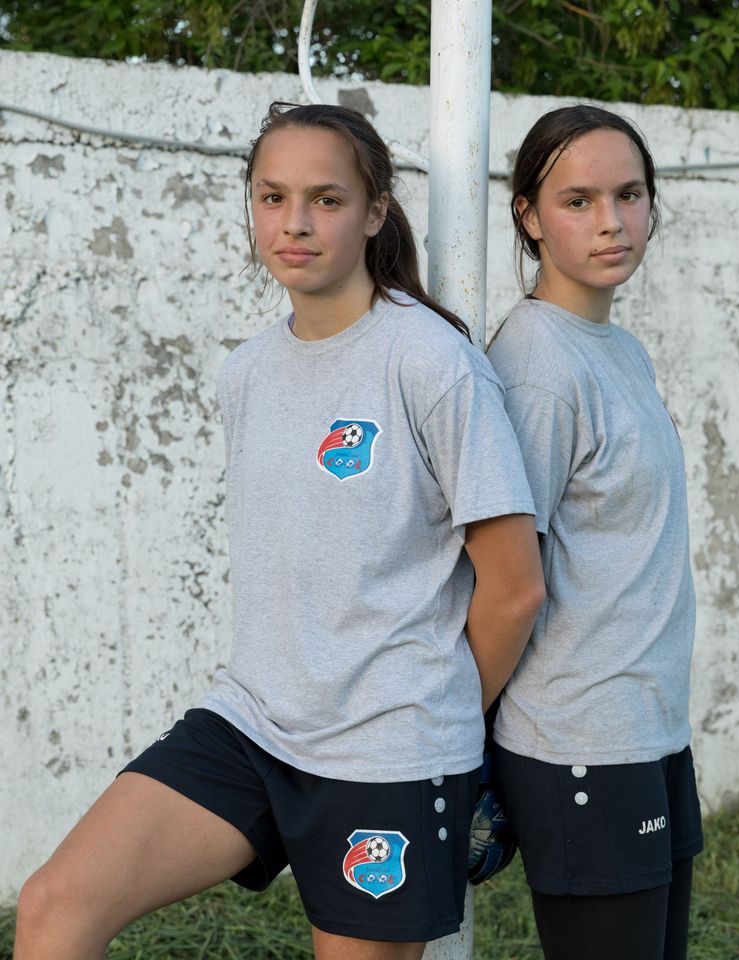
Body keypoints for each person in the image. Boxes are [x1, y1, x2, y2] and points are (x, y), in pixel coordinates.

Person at [14, 102, 544, 960]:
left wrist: (432, 725)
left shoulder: (430, 363)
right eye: (273, 197)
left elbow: (515, 589)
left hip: (385, 750)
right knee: (54, 907)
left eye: (326, 200)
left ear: (374, 212)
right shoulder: (248, 372)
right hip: (253, 721)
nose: (295, 222)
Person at [487, 104, 703, 960]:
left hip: (649, 729)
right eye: (578, 201)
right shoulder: (538, 366)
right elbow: (500, 577)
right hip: (581, 740)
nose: (612, 220)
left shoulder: (618, 348)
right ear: (531, 217)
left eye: (629, 194)